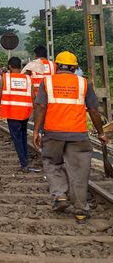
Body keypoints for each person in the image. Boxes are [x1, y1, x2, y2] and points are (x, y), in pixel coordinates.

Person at [33, 51, 109, 221]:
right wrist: (101, 133)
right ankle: (81, 210)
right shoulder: (84, 83)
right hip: (78, 134)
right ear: (75, 67)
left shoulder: (47, 82)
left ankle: (60, 195)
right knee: (79, 171)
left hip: (52, 133)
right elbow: (94, 111)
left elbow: (41, 107)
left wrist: (37, 131)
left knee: (52, 163)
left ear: (57, 66)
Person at [0, 57, 39, 172]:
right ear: (20, 66)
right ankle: (25, 160)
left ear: (10, 66)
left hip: (12, 112)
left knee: (17, 139)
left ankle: (24, 163)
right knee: (23, 137)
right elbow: (33, 97)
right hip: (25, 112)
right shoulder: (28, 79)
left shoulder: (5, 77)